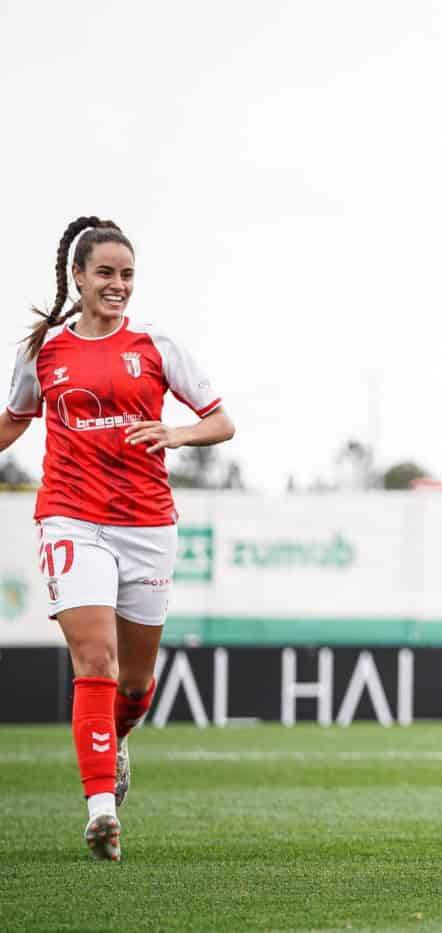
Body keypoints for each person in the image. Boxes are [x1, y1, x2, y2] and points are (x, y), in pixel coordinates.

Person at [0, 217, 234, 861]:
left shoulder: (158, 345)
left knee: (135, 684)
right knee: (94, 660)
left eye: (127, 275)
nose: (118, 285)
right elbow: (15, 421)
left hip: (147, 524)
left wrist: (176, 434)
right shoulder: (43, 349)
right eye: (105, 273)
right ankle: (101, 811)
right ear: (78, 277)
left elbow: (222, 422)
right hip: (70, 518)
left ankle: (119, 740)